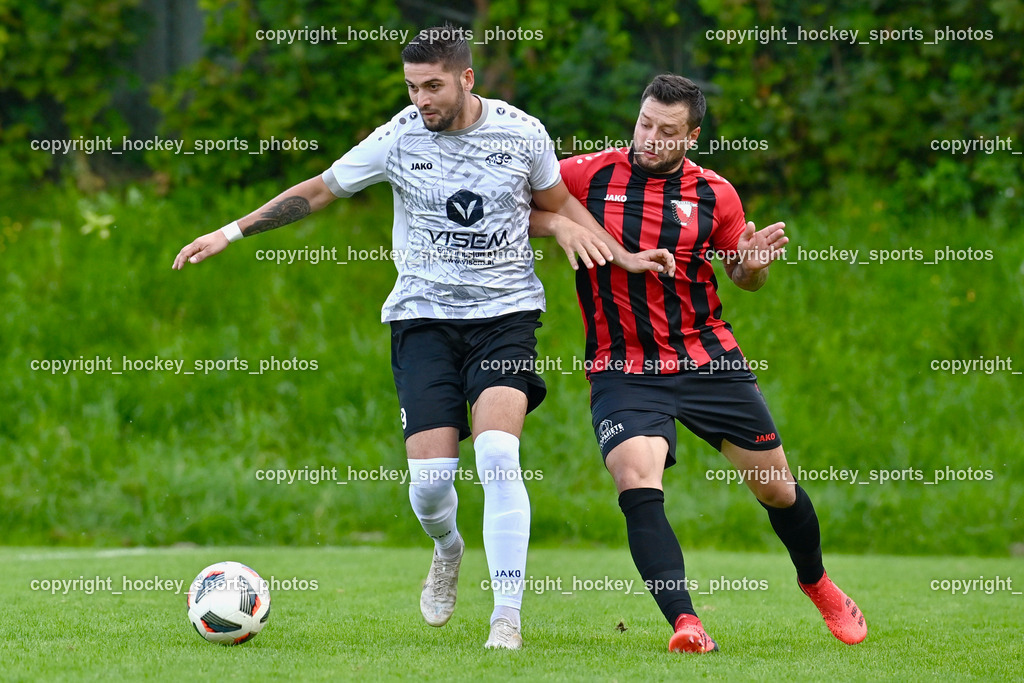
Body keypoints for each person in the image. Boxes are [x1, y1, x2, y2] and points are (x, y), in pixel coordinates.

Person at [172, 26, 670, 650]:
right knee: (432, 484)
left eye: (432, 85)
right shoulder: (398, 137)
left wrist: (619, 255)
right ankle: (447, 547)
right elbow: (321, 190)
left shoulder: (523, 133)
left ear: (466, 78)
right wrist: (230, 233)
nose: (421, 99)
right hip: (422, 320)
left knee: (496, 456)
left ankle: (506, 617)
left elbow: (556, 203)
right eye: (411, 86)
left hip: (505, 318)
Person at [531, 73, 866, 653]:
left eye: (667, 131)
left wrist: (753, 265)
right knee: (636, 477)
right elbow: (513, 211)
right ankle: (687, 623)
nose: (650, 138)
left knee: (777, 490)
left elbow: (743, 275)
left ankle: (817, 583)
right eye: (644, 124)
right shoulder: (585, 175)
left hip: (708, 359)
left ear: (692, 136)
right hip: (623, 366)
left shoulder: (716, 194)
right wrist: (559, 222)